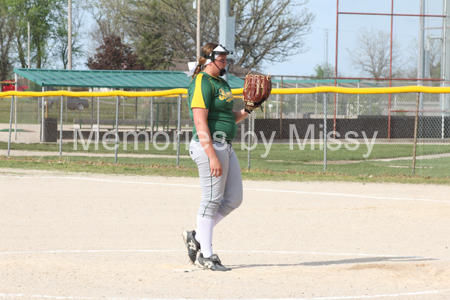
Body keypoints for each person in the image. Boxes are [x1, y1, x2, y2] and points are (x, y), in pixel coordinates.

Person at [182, 43, 263, 272]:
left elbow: (229, 116)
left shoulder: (222, 82)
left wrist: (248, 110)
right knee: (211, 200)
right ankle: (205, 256)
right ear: (209, 59)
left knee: (234, 198)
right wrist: (211, 156)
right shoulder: (202, 82)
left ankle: (196, 235)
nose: (226, 61)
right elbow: (200, 121)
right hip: (209, 146)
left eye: (226, 58)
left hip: (225, 146)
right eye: (222, 58)